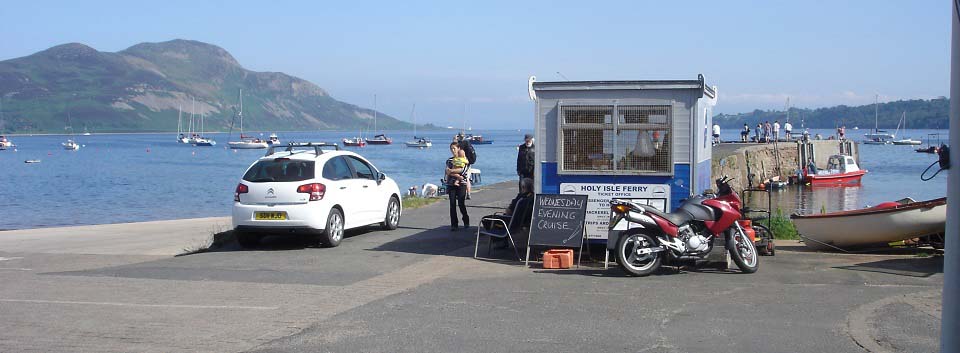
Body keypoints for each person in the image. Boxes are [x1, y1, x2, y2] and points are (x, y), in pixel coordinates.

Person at [445, 142, 469, 231]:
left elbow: (464, 171)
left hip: (462, 184)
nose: (452, 150)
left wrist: (456, 174)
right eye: (451, 149)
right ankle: (454, 224)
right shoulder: (449, 160)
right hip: (451, 184)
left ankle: (466, 220)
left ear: (458, 148)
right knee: (452, 204)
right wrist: (456, 175)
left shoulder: (464, 159)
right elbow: (447, 171)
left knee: (461, 203)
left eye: (454, 148)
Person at [455, 133, 476, 199]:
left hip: (462, 163)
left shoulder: (461, 144)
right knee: (467, 178)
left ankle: (461, 194)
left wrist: (455, 140)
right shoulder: (468, 142)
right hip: (468, 162)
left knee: (460, 177)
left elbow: (456, 151)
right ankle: (468, 194)